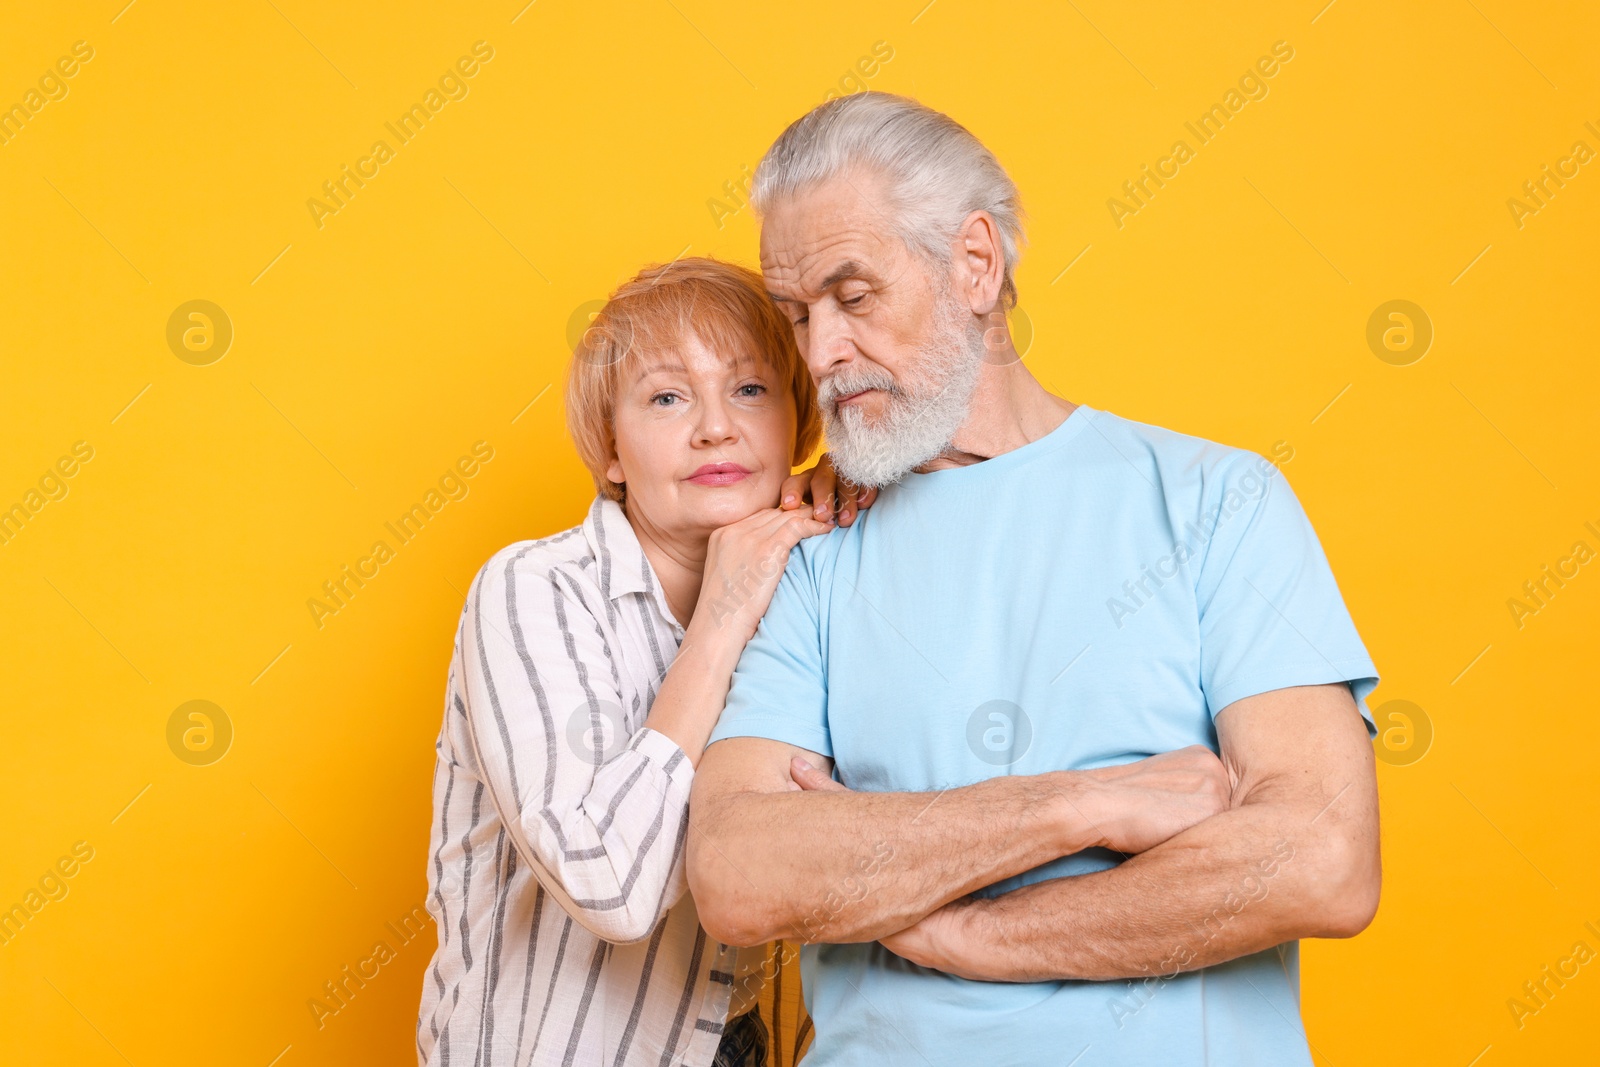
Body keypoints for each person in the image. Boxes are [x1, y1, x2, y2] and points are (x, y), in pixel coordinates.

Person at [687, 92, 1382, 1066]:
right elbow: (740, 869)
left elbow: (1319, 857)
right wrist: (1082, 805)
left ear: (975, 262)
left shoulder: (1214, 500)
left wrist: (970, 935)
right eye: (797, 314)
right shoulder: (809, 541)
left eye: (853, 297)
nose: (818, 353)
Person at [416, 257, 876, 1067]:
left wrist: (872, 493)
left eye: (751, 390)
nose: (714, 428)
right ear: (612, 449)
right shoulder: (535, 589)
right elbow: (613, 887)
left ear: (798, 425)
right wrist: (724, 613)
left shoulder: (814, 588)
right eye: (667, 397)